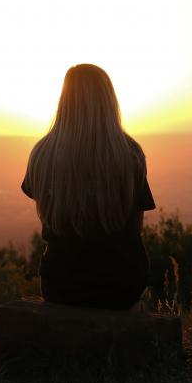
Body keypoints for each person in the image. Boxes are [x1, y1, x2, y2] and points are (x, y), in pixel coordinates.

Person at [21, 63, 156, 311]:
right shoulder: (130, 153)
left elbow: (48, 214)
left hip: (61, 284)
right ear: (108, 100)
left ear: (64, 100)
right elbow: (136, 229)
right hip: (122, 285)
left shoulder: (42, 154)